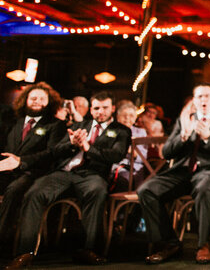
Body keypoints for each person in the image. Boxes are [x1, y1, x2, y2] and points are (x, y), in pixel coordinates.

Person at [6, 92, 131, 268]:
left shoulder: (121, 130)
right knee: (34, 192)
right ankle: (25, 252)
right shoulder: (80, 125)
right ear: (91, 110)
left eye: (105, 108)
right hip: (64, 173)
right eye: (96, 108)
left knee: (97, 191)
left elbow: (116, 155)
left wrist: (88, 148)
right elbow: (55, 151)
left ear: (113, 108)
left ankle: (89, 250)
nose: (100, 112)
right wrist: (71, 143)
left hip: (92, 175)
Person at [138, 83, 210, 264]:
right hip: (182, 171)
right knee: (146, 190)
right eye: (199, 96)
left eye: (207, 96)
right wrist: (183, 135)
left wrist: (209, 136)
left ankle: (203, 245)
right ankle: (168, 243)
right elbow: (166, 152)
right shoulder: (185, 119)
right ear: (194, 100)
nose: (203, 100)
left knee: (204, 190)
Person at [0, 82, 66, 244]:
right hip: (6, 170)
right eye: (33, 98)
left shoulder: (55, 125)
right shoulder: (14, 122)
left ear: (49, 102)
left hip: (34, 173)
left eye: (42, 99)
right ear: (25, 100)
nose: (37, 101)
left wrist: (21, 161)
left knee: (13, 190)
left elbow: (51, 153)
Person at [109, 100, 148, 191]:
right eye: (124, 115)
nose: (127, 118)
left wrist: (131, 151)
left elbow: (143, 158)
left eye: (131, 115)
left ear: (135, 118)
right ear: (118, 117)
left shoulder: (141, 132)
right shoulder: (111, 131)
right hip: (115, 166)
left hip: (134, 168)